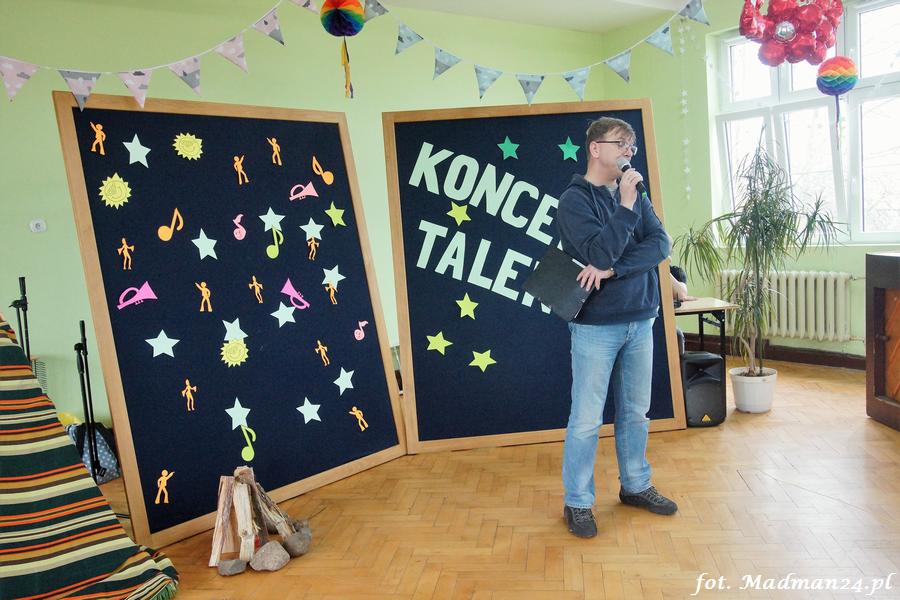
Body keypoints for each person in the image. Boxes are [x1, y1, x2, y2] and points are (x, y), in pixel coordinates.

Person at [556, 117, 678, 539]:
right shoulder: (574, 201)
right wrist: (625, 209)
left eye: (632, 146)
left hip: (641, 318)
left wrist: (613, 271)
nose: (629, 152)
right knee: (587, 419)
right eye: (621, 144)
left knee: (635, 412)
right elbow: (599, 252)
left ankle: (636, 485)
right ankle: (578, 501)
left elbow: (660, 243)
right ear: (595, 148)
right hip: (596, 327)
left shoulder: (635, 192)